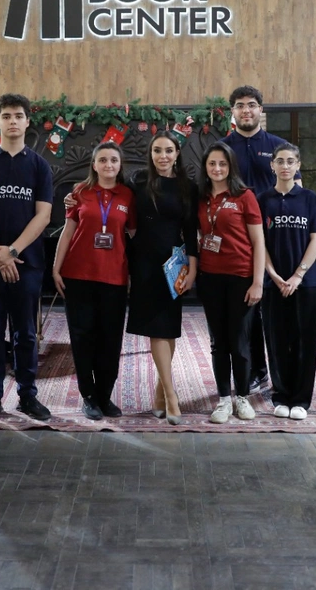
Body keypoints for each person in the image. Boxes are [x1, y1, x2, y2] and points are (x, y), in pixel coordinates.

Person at [0, 93, 55, 423]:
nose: (13, 121)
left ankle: (27, 395)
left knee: (26, 333)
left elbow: (43, 216)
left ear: (27, 121)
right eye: (6, 116)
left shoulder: (39, 166)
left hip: (27, 264)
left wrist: (12, 251)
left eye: (18, 115)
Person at [52, 142, 136, 420]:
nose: (108, 165)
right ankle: (88, 396)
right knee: (82, 338)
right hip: (78, 275)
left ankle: (104, 395)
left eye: (113, 160)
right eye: (103, 160)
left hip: (114, 278)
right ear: (94, 164)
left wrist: (136, 272)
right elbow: (68, 231)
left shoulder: (128, 196)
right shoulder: (79, 192)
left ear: (120, 165)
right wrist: (56, 268)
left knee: (110, 340)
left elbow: (134, 236)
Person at [221, 85, 293, 394]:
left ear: (261, 110)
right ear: (233, 111)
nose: (246, 110)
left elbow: (295, 190)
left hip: (276, 235)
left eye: (251, 104)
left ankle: (282, 372)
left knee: (275, 308)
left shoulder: (279, 147)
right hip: (235, 238)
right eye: (240, 105)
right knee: (246, 307)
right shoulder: (222, 148)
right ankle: (254, 370)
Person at [125, 133, 199, 425]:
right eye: (157, 150)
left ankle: (159, 394)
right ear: (151, 154)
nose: (163, 156)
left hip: (174, 264)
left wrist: (193, 268)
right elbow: (109, 192)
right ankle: (171, 396)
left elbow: (191, 230)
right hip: (143, 261)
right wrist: (74, 195)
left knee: (169, 329)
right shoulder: (138, 181)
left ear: (177, 153)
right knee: (157, 328)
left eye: (169, 150)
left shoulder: (188, 187)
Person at [196, 143, 265, 424]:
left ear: (231, 166)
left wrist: (258, 282)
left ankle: (243, 396)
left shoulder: (244, 196)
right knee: (218, 342)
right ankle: (224, 398)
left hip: (241, 278)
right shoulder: (200, 198)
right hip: (210, 277)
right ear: (205, 167)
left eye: (222, 164)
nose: (217, 169)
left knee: (239, 341)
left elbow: (258, 241)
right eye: (212, 163)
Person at [257, 143, 316, 420]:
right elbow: (259, 243)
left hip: (306, 284)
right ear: (272, 165)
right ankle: (281, 395)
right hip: (273, 283)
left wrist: (298, 275)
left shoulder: (310, 199)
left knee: (304, 341)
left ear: (298, 165)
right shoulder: (263, 200)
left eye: (290, 161)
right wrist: (273, 275)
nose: (285, 166)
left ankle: (301, 399)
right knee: (276, 340)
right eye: (280, 161)